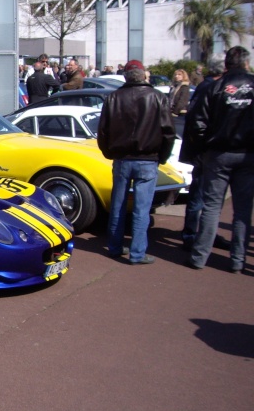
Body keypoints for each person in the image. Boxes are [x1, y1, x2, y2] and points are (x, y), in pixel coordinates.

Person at [97, 59, 176, 265]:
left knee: (118, 204)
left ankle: (115, 247)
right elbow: (168, 132)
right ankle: (137, 253)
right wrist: (162, 157)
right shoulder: (157, 97)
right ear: (144, 75)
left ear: (125, 76)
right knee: (142, 208)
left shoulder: (113, 98)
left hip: (122, 158)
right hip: (147, 159)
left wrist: (109, 152)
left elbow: (103, 131)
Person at [186, 46, 254, 274]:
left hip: (219, 153)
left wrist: (205, 147)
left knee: (212, 206)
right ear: (245, 63)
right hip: (246, 154)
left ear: (226, 64)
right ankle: (237, 260)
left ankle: (199, 257)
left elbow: (198, 122)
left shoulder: (215, 87)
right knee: (242, 210)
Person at [178, 58, 226, 251]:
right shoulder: (208, 88)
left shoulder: (212, 87)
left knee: (210, 198)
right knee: (199, 196)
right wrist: (204, 148)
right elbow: (196, 122)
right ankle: (190, 234)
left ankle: (207, 233)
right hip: (204, 152)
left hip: (208, 150)